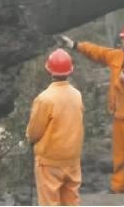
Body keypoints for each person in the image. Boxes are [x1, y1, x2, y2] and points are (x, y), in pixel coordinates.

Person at [57, 23, 124, 193]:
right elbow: (97, 52)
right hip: (119, 115)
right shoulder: (117, 56)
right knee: (120, 156)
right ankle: (119, 187)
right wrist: (74, 45)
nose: (122, 40)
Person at [27, 49, 85, 206]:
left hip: (49, 162)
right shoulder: (77, 95)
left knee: (49, 202)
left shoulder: (44, 99)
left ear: (49, 70)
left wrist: (30, 140)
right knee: (71, 202)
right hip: (72, 160)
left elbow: (34, 132)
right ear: (70, 71)